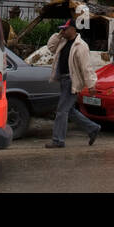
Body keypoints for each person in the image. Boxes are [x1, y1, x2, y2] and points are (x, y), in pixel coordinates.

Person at [44, 20, 101, 148]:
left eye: (65, 29)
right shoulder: (63, 41)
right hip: (64, 80)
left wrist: (91, 85)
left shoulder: (80, 46)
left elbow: (86, 67)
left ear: (73, 29)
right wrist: (59, 35)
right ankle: (93, 128)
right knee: (69, 111)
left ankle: (58, 140)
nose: (63, 31)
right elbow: (50, 47)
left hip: (71, 81)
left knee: (61, 111)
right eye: (62, 29)